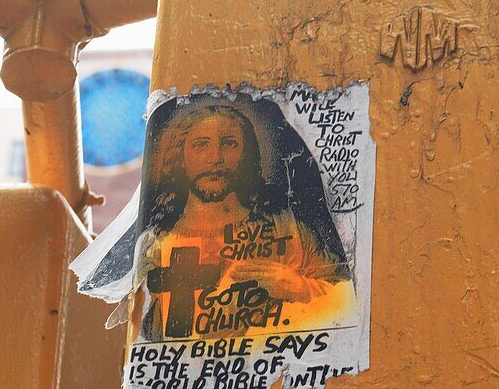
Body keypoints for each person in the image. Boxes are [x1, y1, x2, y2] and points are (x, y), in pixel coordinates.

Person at [138, 103, 350, 340]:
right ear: (181, 156)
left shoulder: (285, 228)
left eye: (229, 143)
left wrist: (296, 286)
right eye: (201, 145)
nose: (215, 158)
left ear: (246, 155)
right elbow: (147, 339)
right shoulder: (155, 244)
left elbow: (349, 301)